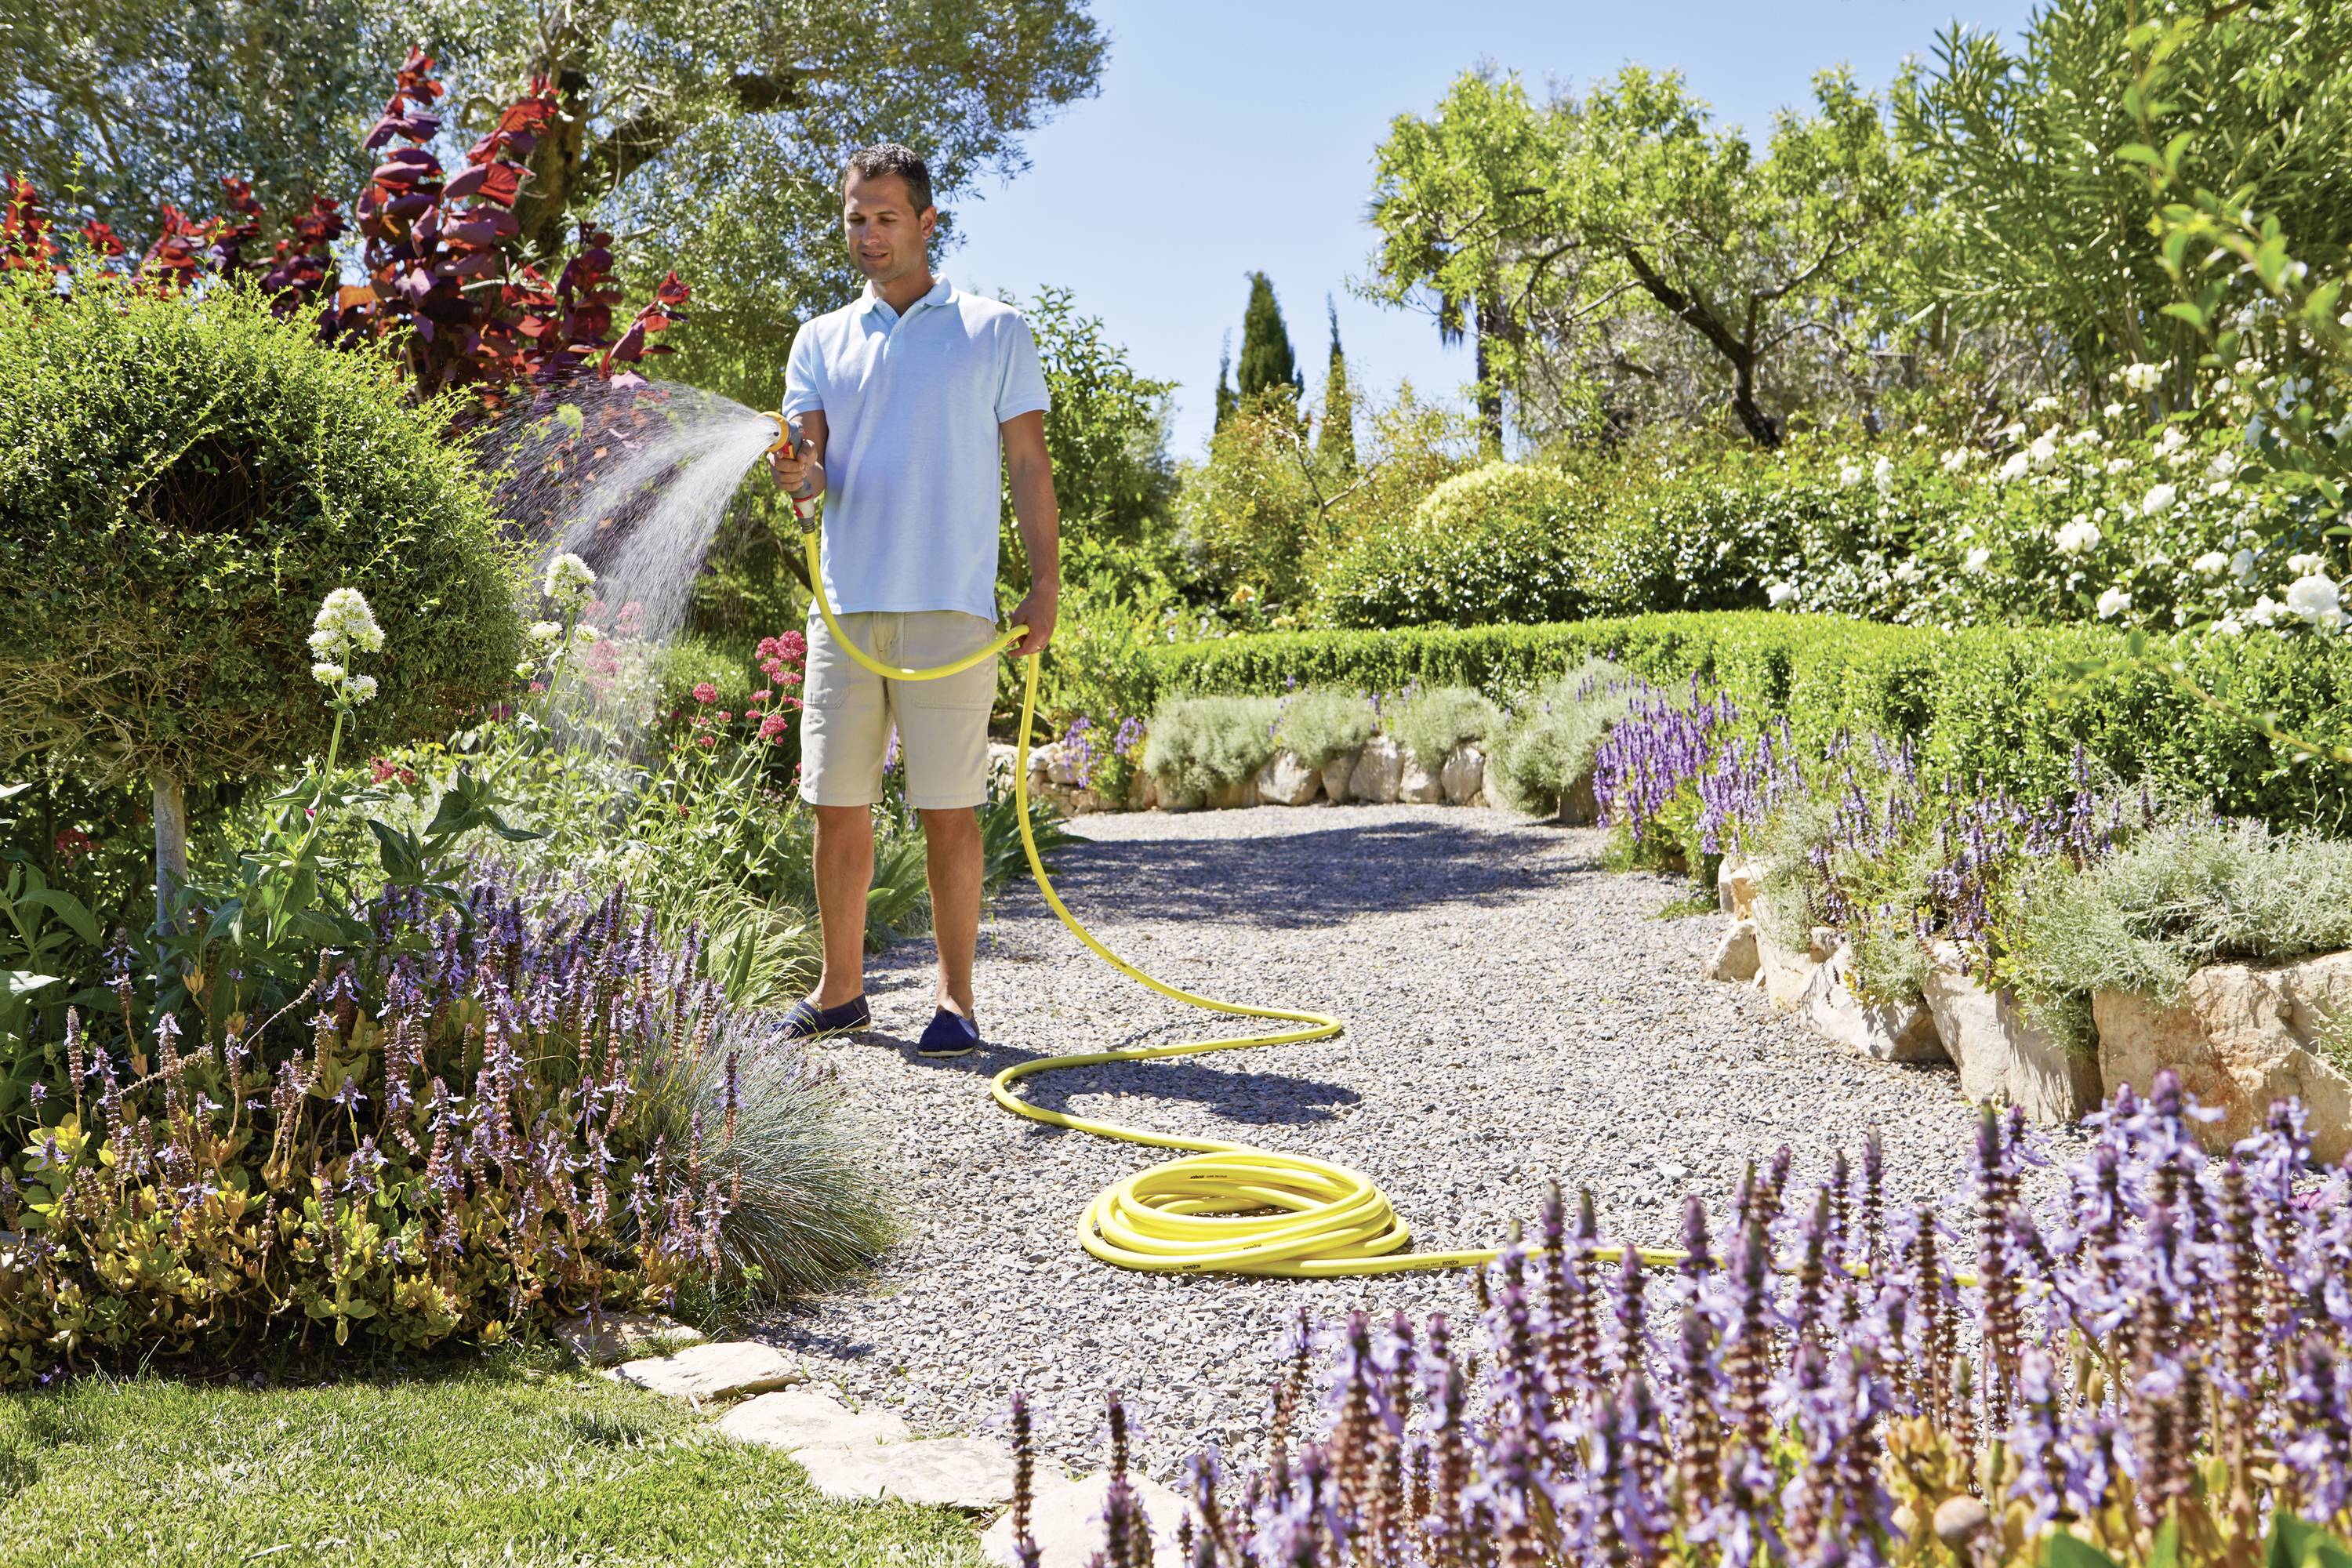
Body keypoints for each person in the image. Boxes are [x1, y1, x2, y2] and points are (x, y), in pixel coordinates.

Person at [770, 142, 1060, 1058]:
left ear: (929, 223)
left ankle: (956, 1001)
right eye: (857, 217)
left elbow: (1026, 464)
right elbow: (810, 474)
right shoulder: (820, 339)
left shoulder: (994, 329)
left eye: (887, 217)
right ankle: (842, 990)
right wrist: (796, 476)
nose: (869, 234)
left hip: (953, 609)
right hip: (847, 608)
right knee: (835, 803)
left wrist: (1044, 581)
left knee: (947, 808)